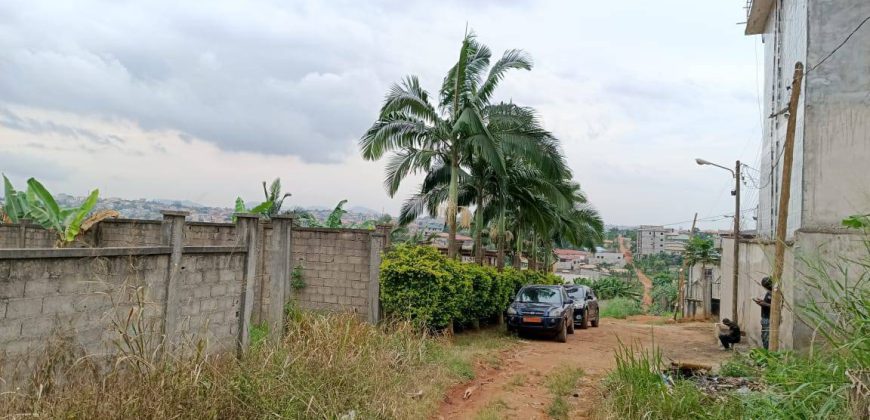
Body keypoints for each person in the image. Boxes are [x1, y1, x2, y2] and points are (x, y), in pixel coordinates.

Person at [753, 277, 773, 350]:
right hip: (765, 317)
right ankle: (766, 352)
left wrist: (764, 304)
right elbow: (767, 303)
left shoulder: (776, 293)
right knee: (764, 336)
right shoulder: (769, 292)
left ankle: (767, 353)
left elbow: (776, 307)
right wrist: (761, 302)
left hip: (769, 318)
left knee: (766, 337)